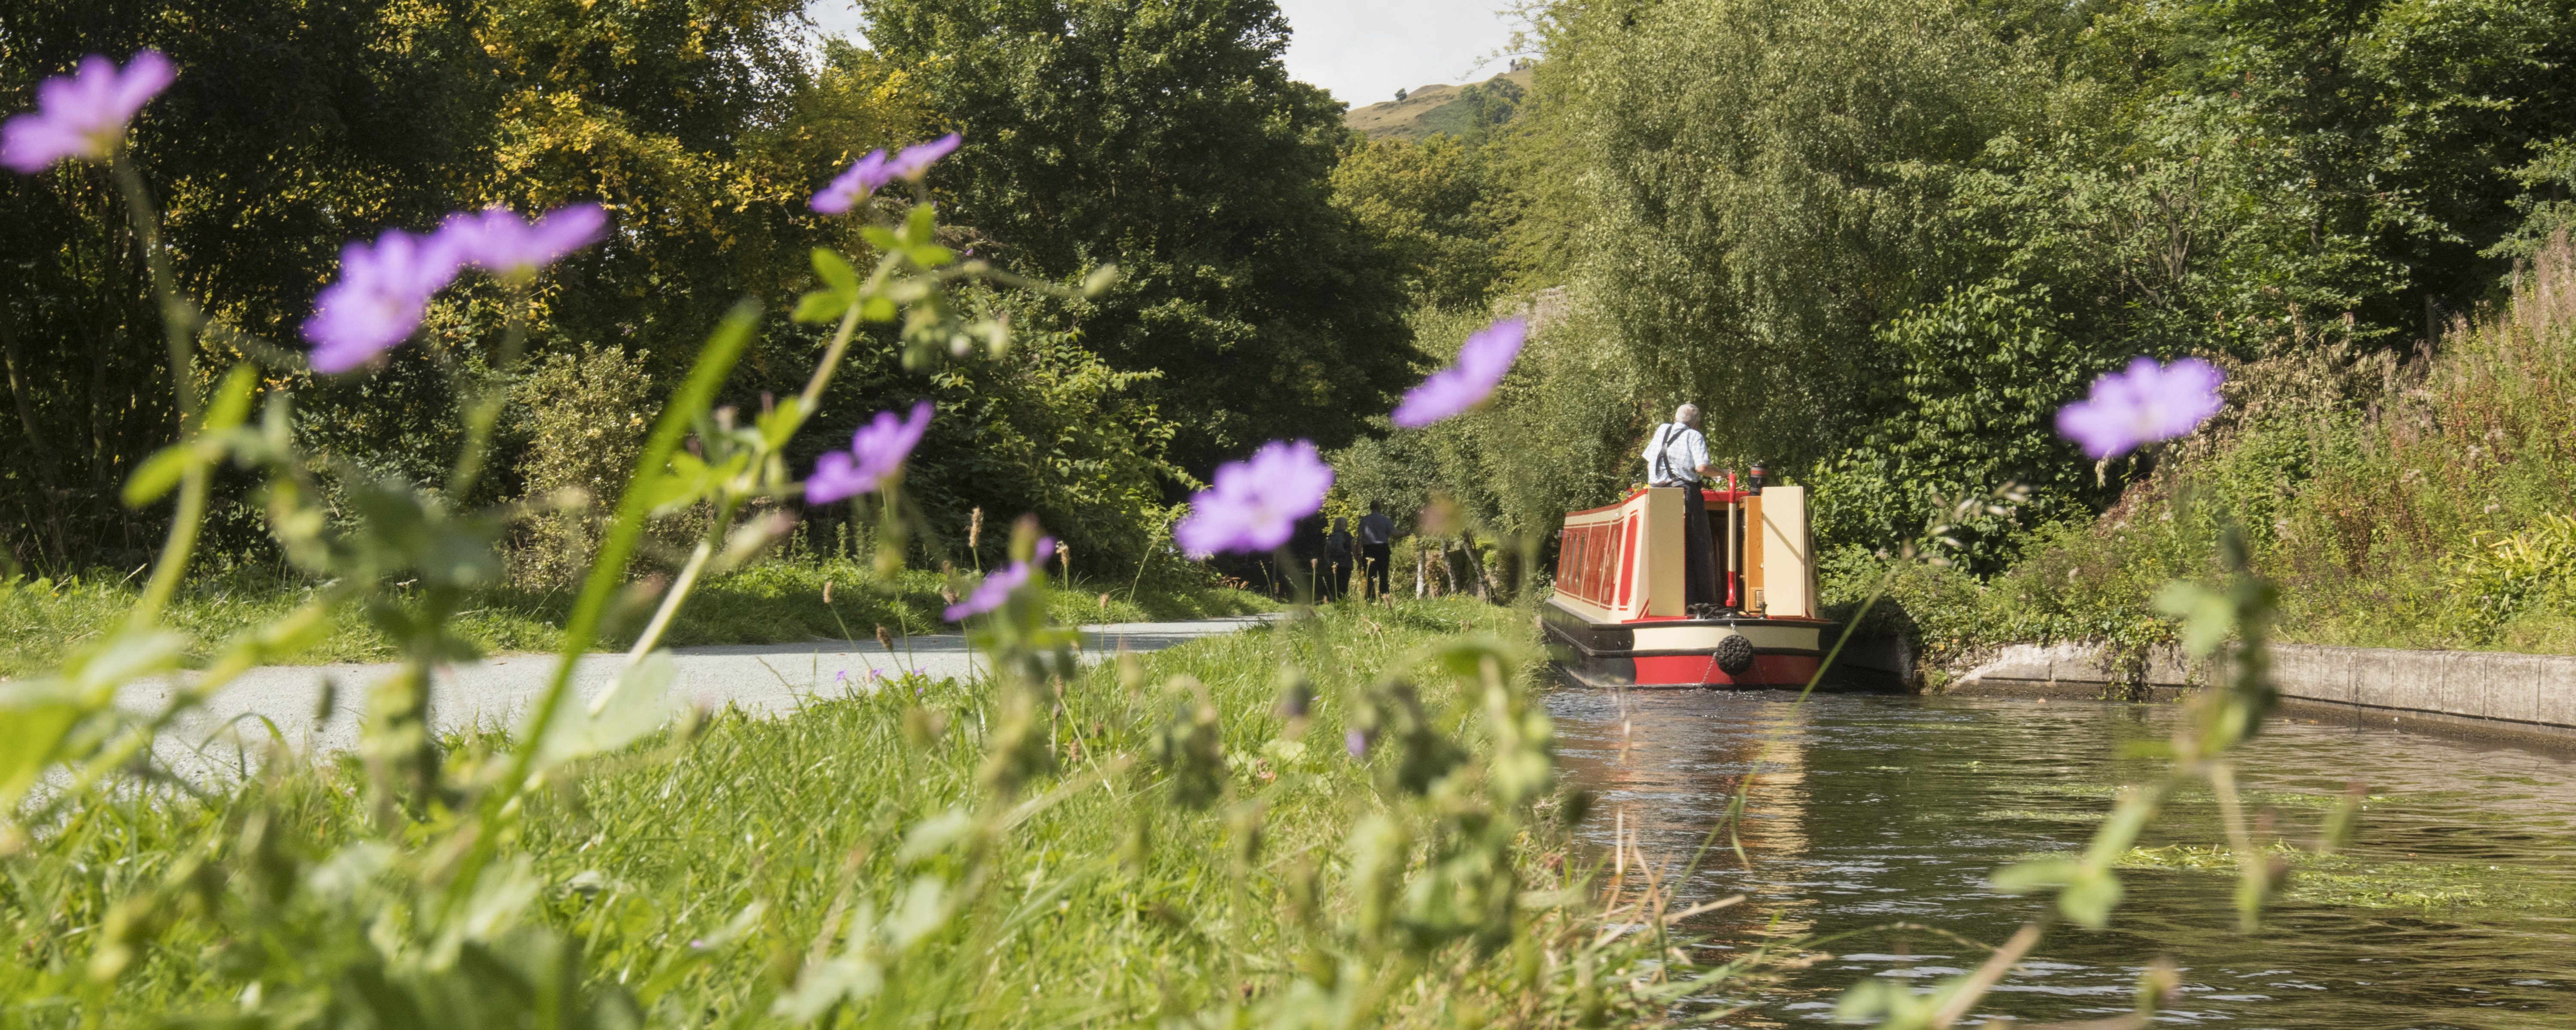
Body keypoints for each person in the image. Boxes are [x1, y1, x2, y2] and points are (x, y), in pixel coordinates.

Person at [1643, 403, 1721, 613]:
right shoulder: (1694, 436)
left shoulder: (1662, 430)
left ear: (1675, 417)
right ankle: (1702, 603)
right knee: (1699, 547)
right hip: (1685, 494)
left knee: (1665, 550)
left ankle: (1663, 602)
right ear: (1696, 424)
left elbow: (1651, 464)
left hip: (1658, 495)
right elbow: (1702, 468)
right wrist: (1724, 473)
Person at [1357, 501, 1395, 601]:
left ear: (1370, 508)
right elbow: (1394, 533)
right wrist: (1405, 533)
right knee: (1384, 577)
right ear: (1379, 507)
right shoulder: (1386, 520)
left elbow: (1360, 539)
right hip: (1383, 550)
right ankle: (1385, 601)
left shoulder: (1364, 520)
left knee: (1370, 578)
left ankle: (1370, 601)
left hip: (1369, 550)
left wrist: (1359, 554)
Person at [1325, 517, 1355, 601]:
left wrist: (1328, 562)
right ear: (1344, 524)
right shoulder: (1348, 536)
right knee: (1344, 587)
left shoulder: (1331, 536)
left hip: (1333, 565)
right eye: (1346, 523)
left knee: (1335, 587)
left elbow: (1326, 552)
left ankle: (1336, 605)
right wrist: (1360, 562)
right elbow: (1354, 550)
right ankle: (1343, 606)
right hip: (1345, 564)